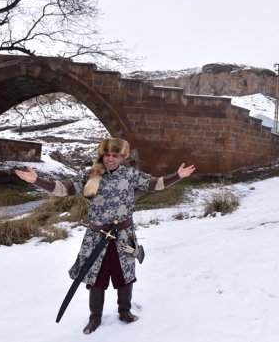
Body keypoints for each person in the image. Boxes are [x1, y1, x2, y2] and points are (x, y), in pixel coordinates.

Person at [15, 137, 196, 335]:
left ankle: (125, 312)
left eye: (115, 155)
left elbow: (156, 184)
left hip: (123, 237)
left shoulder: (131, 175)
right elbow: (63, 189)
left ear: (122, 157)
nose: (110, 159)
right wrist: (37, 180)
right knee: (96, 279)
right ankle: (95, 317)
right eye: (107, 154)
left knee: (125, 276)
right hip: (97, 237)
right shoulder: (90, 175)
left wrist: (178, 175)